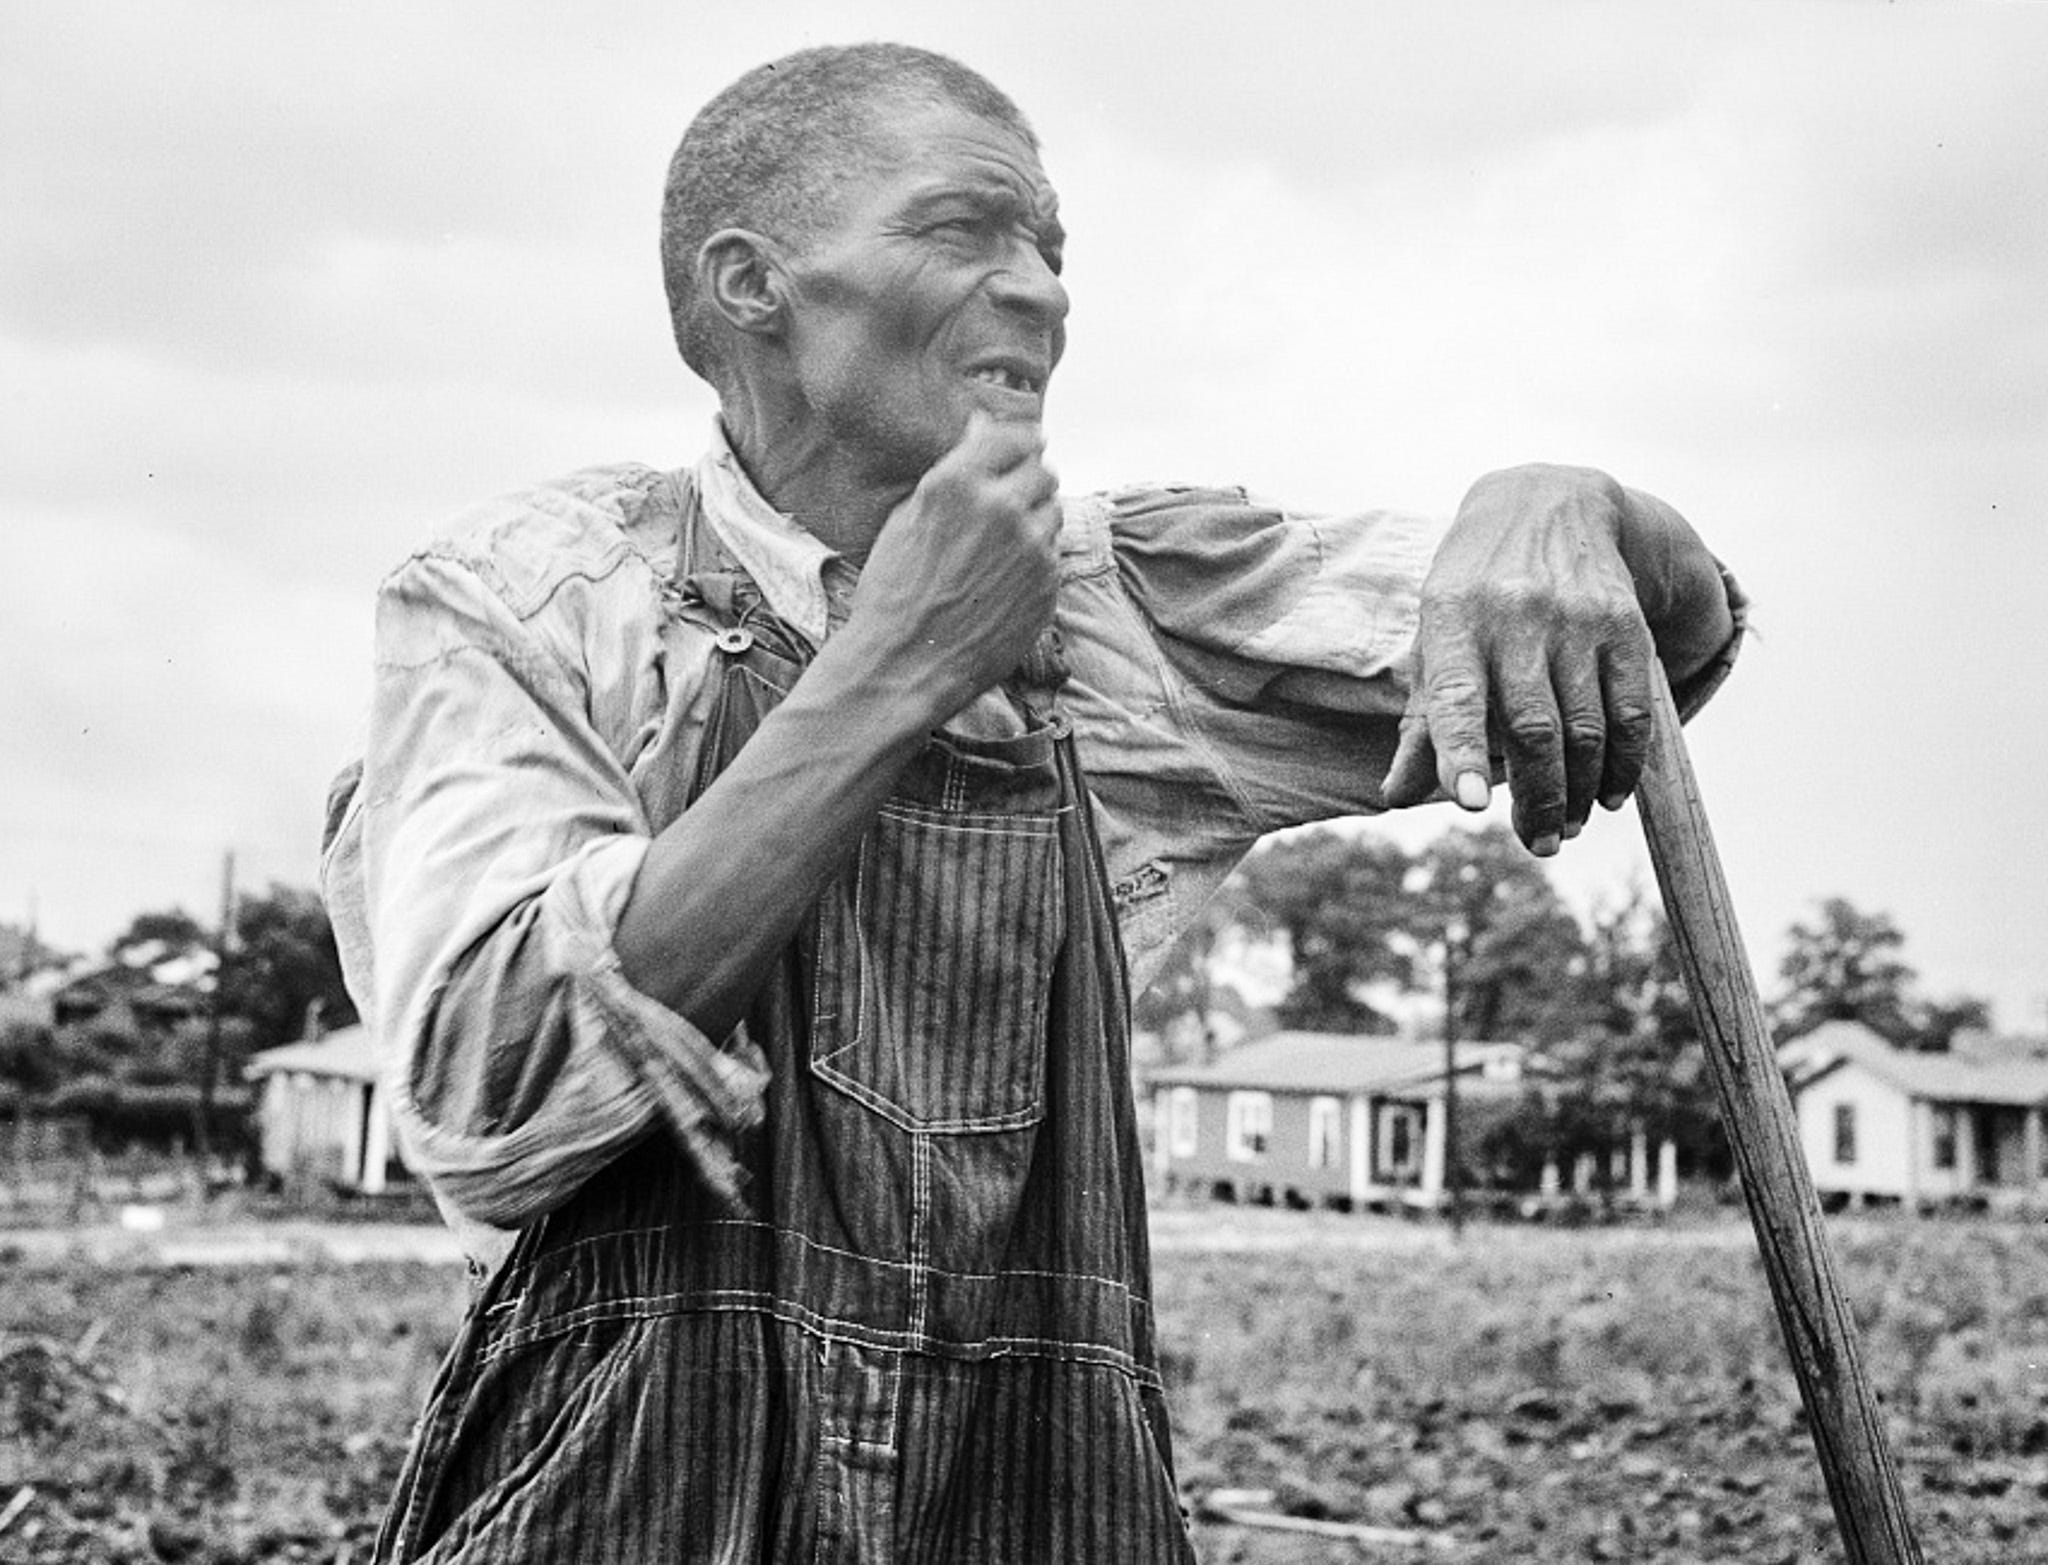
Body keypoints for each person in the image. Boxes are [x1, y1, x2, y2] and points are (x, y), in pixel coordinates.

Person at [322, 41, 1744, 1565]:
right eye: (964, 230)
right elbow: (492, 1094)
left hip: (1028, 1501)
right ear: (751, 285)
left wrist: (1564, 502)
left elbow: (1643, 643)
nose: (1045, 292)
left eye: (1052, 249)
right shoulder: (534, 600)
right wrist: (897, 663)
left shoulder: (1122, 597)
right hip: (636, 1505)